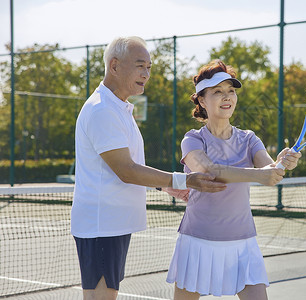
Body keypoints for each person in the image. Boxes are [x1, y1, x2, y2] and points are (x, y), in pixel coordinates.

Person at [71, 36, 226, 300]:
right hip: (102, 226)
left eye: (149, 68)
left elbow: (131, 165)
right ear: (115, 66)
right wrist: (185, 181)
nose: (146, 74)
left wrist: (164, 184)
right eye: (140, 66)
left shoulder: (119, 108)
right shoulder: (102, 110)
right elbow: (126, 170)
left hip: (113, 224)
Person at [166, 59, 301, 299]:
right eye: (218, 92)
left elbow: (269, 169)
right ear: (202, 100)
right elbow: (209, 170)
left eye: (231, 91)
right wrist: (260, 175)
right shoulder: (193, 140)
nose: (227, 97)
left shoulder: (249, 139)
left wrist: (282, 163)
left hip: (242, 242)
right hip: (198, 240)